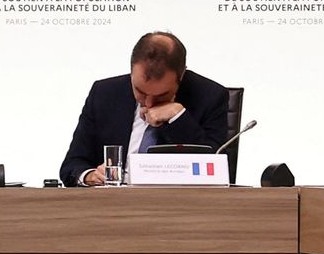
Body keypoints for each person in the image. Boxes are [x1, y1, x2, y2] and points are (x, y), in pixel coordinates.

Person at [59, 31, 229, 186]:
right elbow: (72, 164)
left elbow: (215, 169)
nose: (148, 103)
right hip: (112, 204)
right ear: (131, 70)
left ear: (182, 75)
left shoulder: (210, 96)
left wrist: (178, 117)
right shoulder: (104, 93)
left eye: (161, 95)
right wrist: (90, 175)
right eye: (140, 91)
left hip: (179, 204)